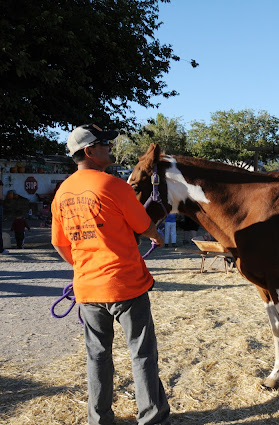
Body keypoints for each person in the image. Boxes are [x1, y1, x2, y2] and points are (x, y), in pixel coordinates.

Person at [51, 124, 170, 425]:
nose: (110, 147)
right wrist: (157, 236)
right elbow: (143, 224)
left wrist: (83, 267)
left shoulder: (62, 192)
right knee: (142, 353)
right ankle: (151, 418)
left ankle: (99, 419)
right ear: (89, 151)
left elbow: (59, 243)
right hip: (125, 285)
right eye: (104, 143)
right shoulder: (113, 186)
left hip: (88, 288)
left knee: (97, 355)